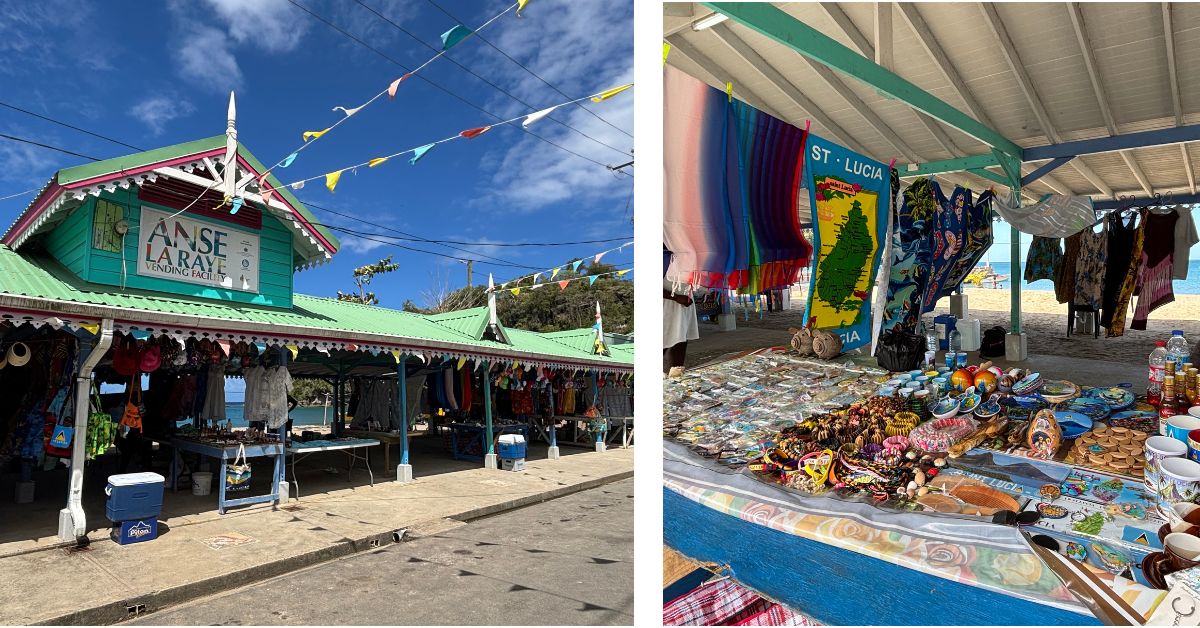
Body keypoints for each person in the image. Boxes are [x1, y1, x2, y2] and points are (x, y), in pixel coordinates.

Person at [664, 278, 699, 377]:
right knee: (665, 339)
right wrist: (676, 297)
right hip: (667, 306)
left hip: (685, 306)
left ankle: (676, 374)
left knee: (681, 339)